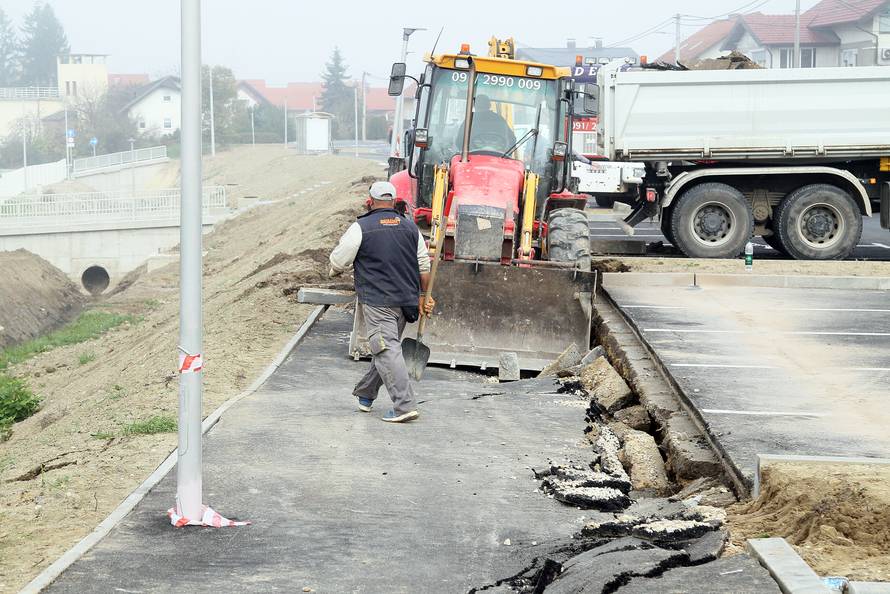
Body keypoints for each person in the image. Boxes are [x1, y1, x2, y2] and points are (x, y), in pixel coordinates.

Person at [329, 181, 434, 423]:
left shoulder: (361, 227)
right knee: (388, 347)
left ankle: (404, 406)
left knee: (385, 349)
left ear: (370, 202)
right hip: (406, 300)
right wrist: (422, 296)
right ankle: (366, 394)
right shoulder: (411, 228)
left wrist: (334, 270)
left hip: (378, 300)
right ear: (396, 202)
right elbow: (423, 266)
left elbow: (339, 260)